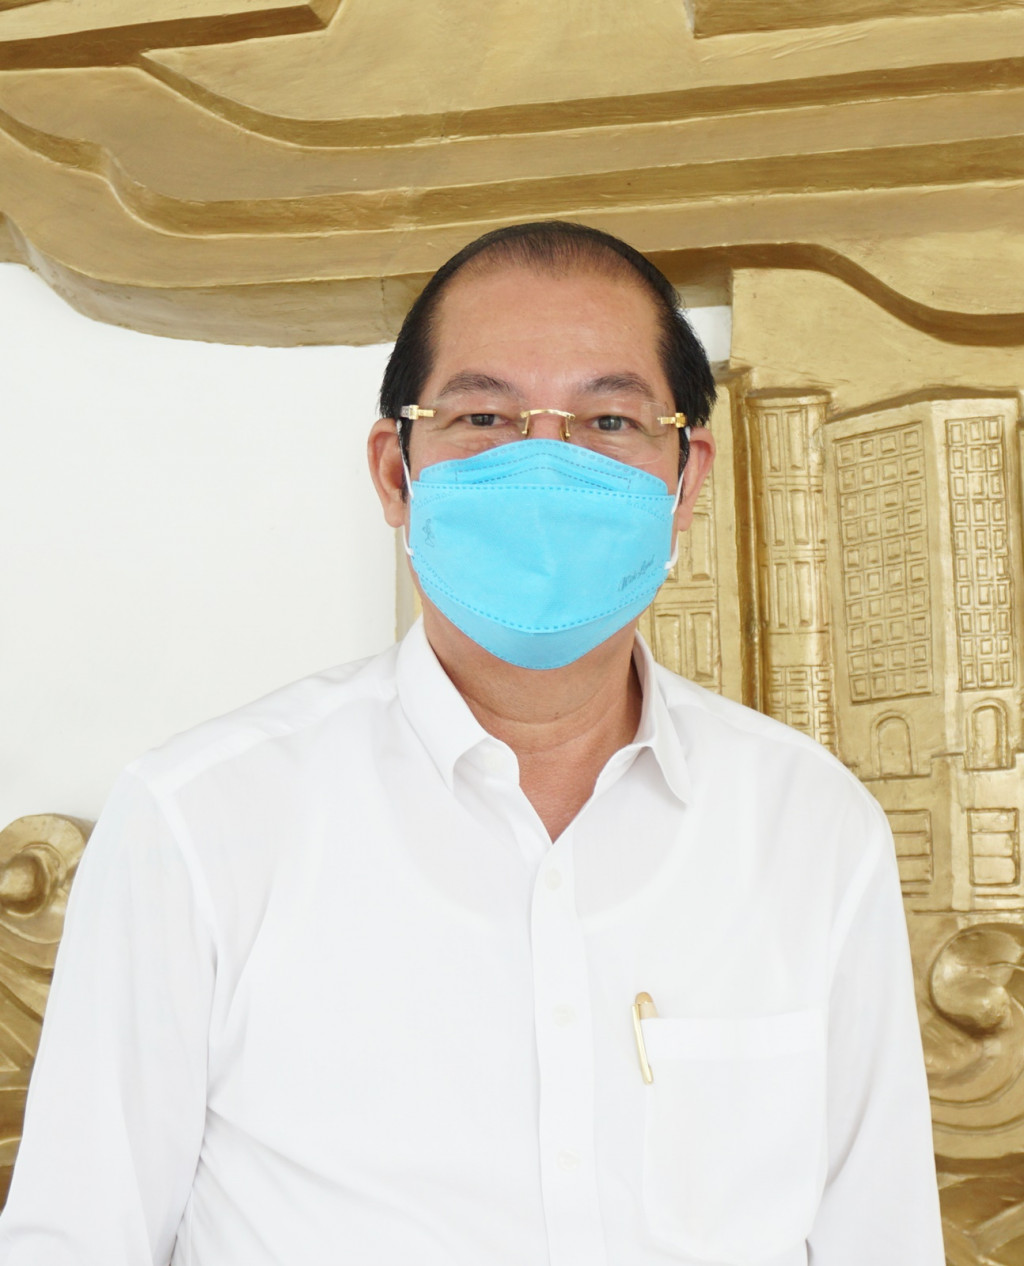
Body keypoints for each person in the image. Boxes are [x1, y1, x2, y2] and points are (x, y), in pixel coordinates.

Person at [0, 221, 944, 1265]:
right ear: (395, 474)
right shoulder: (201, 824)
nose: (546, 464)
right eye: (484, 416)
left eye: (610, 419)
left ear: (684, 482)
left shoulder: (813, 829)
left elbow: (881, 1237)